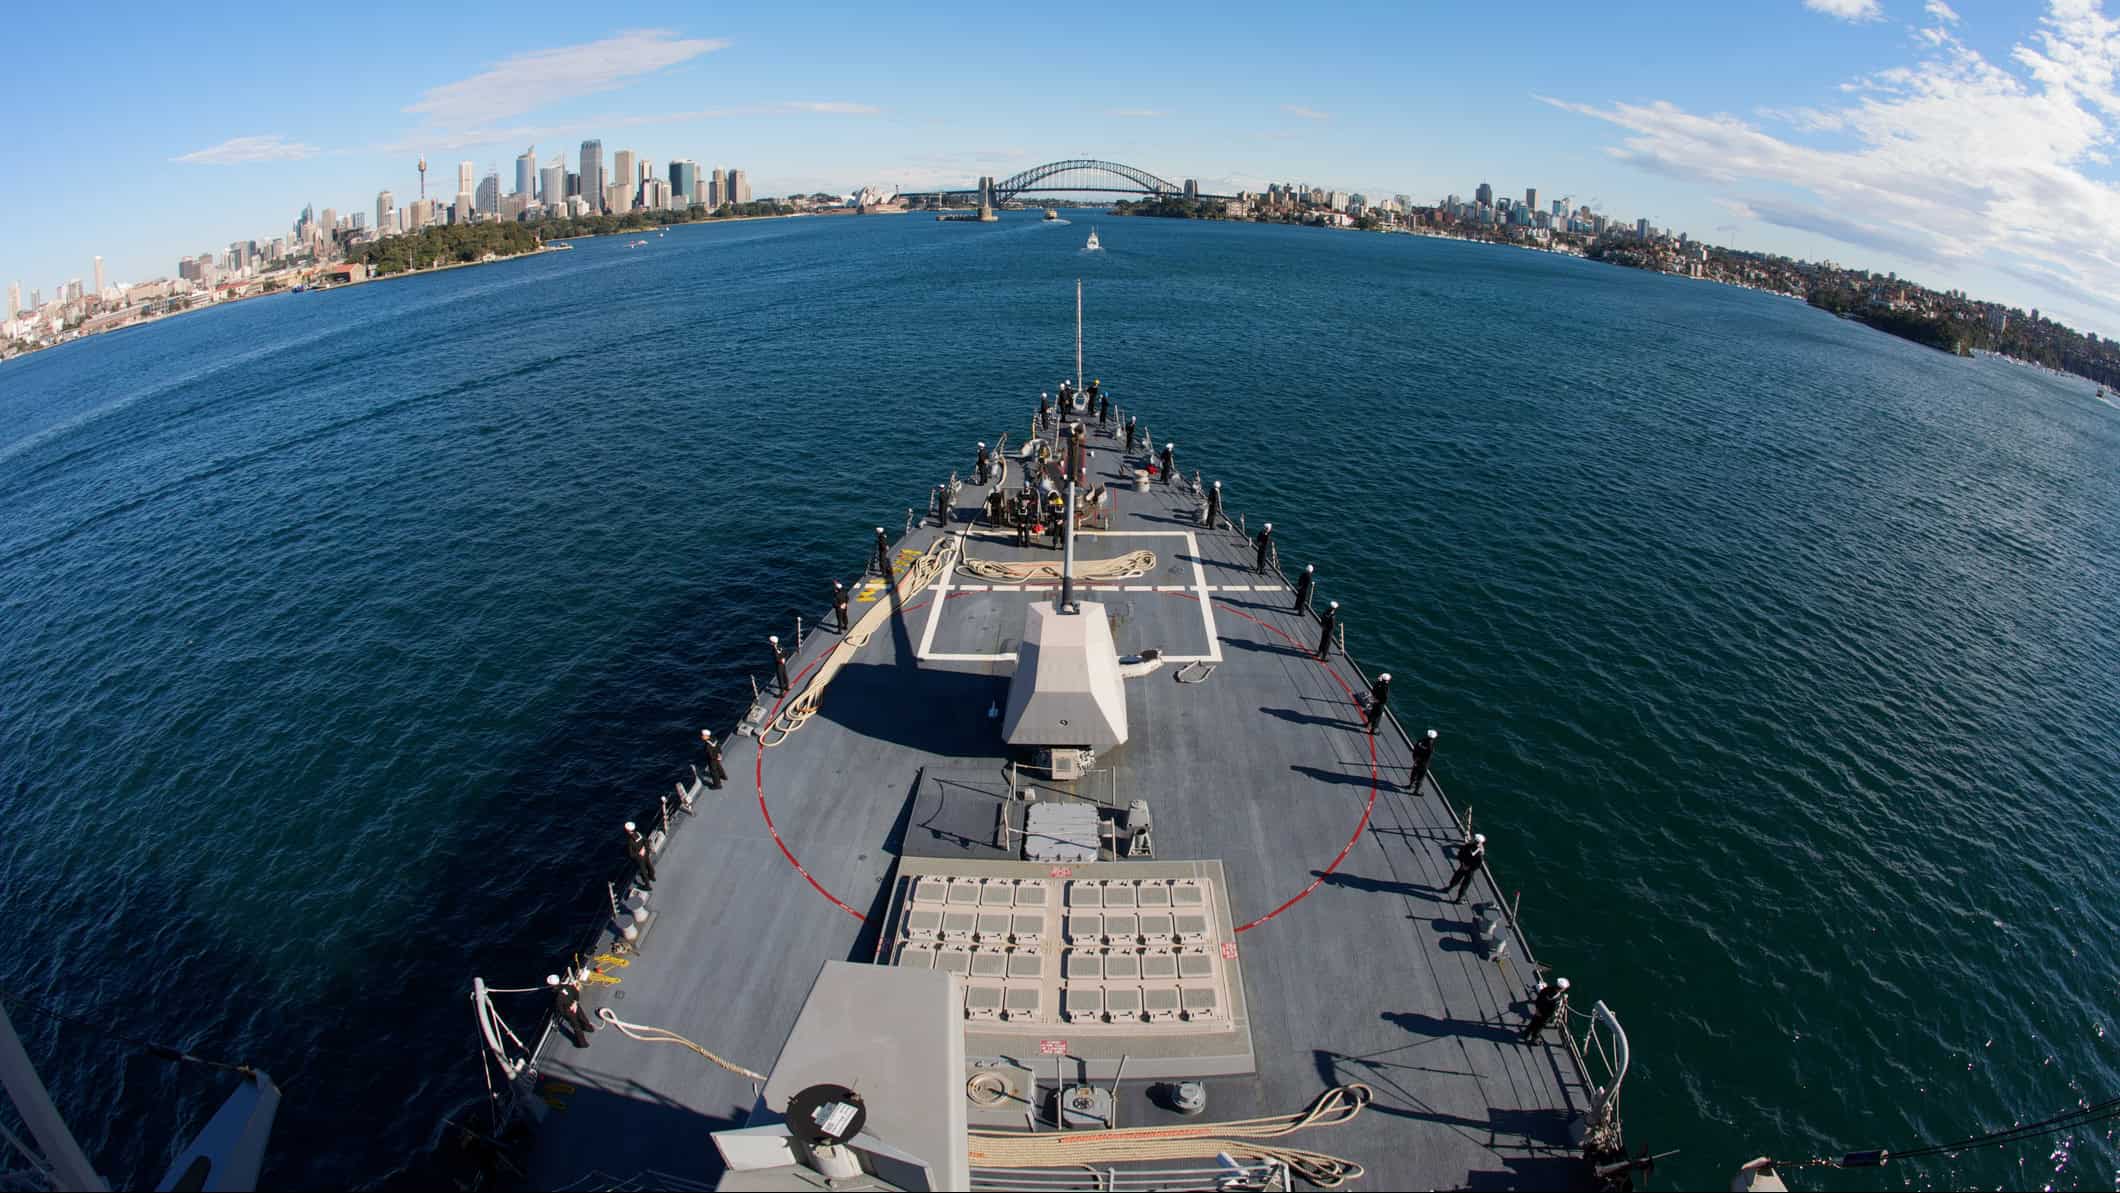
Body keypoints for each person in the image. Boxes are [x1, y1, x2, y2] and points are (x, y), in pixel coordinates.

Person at [549, 974, 595, 1047]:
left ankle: (583, 1043)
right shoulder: (568, 986)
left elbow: (560, 1009)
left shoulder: (557, 996)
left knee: (576, 1026)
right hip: (575, 1004)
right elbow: (576, 992)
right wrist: (575, 1003)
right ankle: (589, 1028)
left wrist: (566, 1015)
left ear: (552, 985)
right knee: (582, 1017)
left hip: (568, 1010)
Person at [1520, 977, 1569, 1043]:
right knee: (1539, 1027)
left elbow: (1539, 999)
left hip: (1539, 1010)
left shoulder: (1546, 989)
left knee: (1533, 1022)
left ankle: (1526, 1034)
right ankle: (1534, 1039)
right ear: (1562, 989)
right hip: (1545, 1016)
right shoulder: (1557, 999)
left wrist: (1537, 1009)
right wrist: (1550, 1018)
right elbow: (1552, 1011)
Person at [1444, 832, 1485, 903]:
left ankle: (1449, 887)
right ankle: (1459, 899)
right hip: (1470, 870)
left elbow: (1460, 854)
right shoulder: (1479, 853)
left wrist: (1463, 863)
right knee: (1465, 884)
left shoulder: (1467, 846)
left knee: (1456, 877)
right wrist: (1469, 868)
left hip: (1463, 866)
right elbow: (1478, 865)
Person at [624, 821, 656, 890]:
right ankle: (652, 877)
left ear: (628, 831)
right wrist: (644, 849)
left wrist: (639, 853)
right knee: (649, 865)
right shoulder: (639, 834)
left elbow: (631, 855)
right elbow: (646, 841)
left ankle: (648, 886)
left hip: (640, 858)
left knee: (643, 871)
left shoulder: (630, 841)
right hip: (646, 853)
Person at [1409, 729, 1437, 793]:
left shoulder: (1420, 741)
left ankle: (1410, 785)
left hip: (1416, 761)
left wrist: (1415, 759)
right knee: (1420, 778)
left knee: (1414, 773)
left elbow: (1415, 750)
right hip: (1423, 764)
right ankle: (1416, 791)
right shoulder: (1431, 746)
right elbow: (1428, 757)